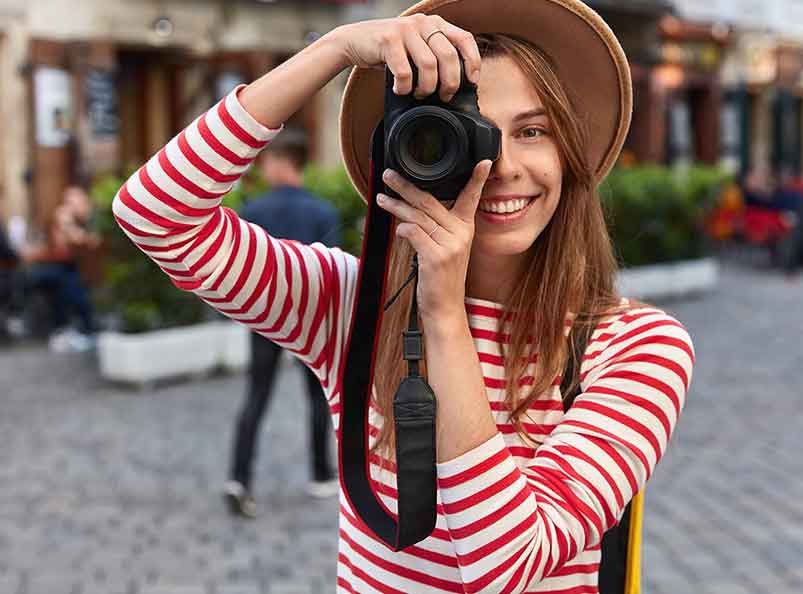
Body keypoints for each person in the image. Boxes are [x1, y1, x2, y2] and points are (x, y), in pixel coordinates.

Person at [111, 0, 695, 591]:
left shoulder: (637, 347)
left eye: (533, 131)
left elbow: (506, 566)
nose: (501, 166)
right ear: (412, 158)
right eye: (472, 136)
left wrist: (442, 317)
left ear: (568, 154)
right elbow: (154, 215)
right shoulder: (351, 310)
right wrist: (333, 51)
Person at [224, 127, 342, 518]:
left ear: (280, 163)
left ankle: (239, 477)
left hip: (265, 317)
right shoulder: (323, 211)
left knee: (255, 397)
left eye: (267, 161)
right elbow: (331, 275)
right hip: (312, 318)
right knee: (317, 398)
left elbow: (240, 270)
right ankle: (322, 474)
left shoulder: (253, 211)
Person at [20, 185, 100, 351]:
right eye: (68, 201)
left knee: (66, 283)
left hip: (68, 268)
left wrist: (74, 228)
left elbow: (91, 241)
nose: (70, 205)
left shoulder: (90, 218)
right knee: (66, 281)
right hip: (46, 268)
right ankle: (81, 328)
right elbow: (66, 244)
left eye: (74, 201)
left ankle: (67, 328)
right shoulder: (63, 217)